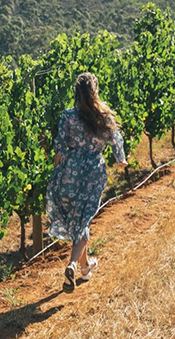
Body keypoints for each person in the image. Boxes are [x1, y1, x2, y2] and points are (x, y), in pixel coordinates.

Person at [46, 72, 127, 292]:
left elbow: (60, 147)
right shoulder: (104, 115)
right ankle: (72, 264)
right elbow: (115, 139)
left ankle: (85, 268)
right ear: (95, 91)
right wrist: (121, 159)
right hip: (93, 171)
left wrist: (57, 173)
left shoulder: (68, 116)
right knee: (84, 221)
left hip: (70, 170)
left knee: (78, 219)